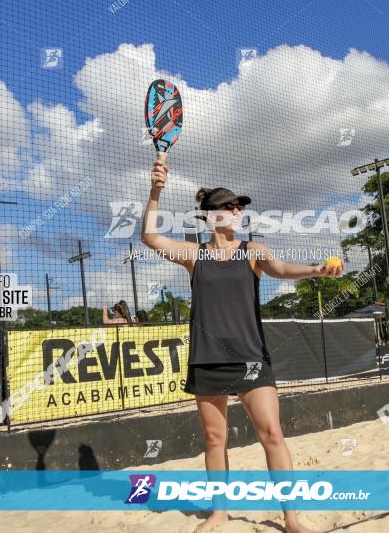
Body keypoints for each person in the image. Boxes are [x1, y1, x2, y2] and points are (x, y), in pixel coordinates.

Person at [142, 159, 341, 533]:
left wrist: (316, 269)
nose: (238, 211)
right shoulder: (194, 255)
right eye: (230, 206)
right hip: (208, 359)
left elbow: (281, 269)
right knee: (215, 439)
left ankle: (292, 518)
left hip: (251, 357)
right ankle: (219, 513)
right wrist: (156, 191)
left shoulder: (253, 251)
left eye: (240, 206)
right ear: (210, 215)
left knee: (272, 433)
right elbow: (150, 238)